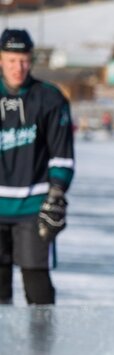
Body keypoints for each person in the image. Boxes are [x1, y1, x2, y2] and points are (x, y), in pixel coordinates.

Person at [0, 28, 73, 306]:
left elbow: (62, 153)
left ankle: (42, 349)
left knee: (37, 284)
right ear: (1, 60)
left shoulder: (49, 98)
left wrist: (57, 193)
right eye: (11, 60)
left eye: (23, 60)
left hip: (33, 205)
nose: (18, 67)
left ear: (31, 60)